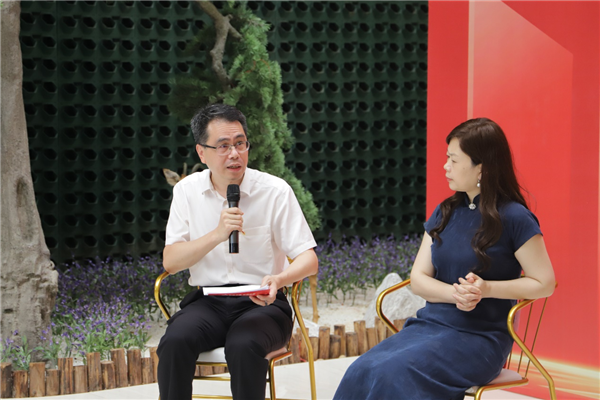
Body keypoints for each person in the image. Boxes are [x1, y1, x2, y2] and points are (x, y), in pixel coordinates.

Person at [333, 118, 555, 400]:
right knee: (362, 369)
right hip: (429, 327)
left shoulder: (515, 217)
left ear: (481, 168)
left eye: (453, 159)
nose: (445, 166)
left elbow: (544, 283)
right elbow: (418, 279)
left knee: (393, 374)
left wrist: (487, 289)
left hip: (480, 338)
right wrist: (456, 294)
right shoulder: (445, 212)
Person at [157, 103, 318, 400]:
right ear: (202, 152)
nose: (234, 153)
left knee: (243, 345)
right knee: (175, 340)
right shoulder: (186, 191)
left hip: (263, 304)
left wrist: (279, 280)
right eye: (223, 146)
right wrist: (217, 235)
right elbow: (171, 261)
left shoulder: (275, 191)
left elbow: (309, 260)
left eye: (240, 143)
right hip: (208, 303)